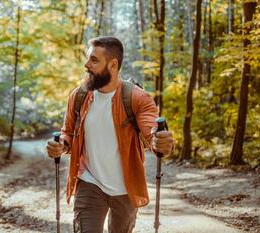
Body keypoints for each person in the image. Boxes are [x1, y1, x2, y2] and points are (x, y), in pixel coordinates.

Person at [46, 36, 174, 233]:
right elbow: (68, 132)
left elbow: (151, 132)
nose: (86, 65)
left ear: (113, 65)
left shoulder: (137, 98)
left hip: (126, 187)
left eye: (94, 60)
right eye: (88, 58)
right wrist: (61, 144)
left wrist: (160, 141)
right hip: (89, 182)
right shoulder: (79, 96)